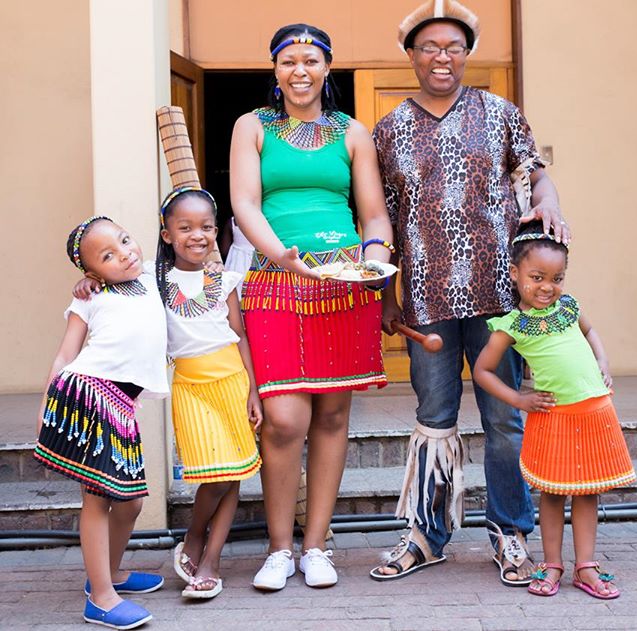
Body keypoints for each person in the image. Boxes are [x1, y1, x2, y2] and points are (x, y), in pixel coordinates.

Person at [370, 0, 571, 585]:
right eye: (430, 47)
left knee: (505, 419)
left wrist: (550, 203)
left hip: (498, 296)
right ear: (411, 56)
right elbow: (381, 217)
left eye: (453, 47)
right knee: (433, 418)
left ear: (466, 55)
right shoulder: (389, 129)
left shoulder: (500, 113)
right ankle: (427, 535)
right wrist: (387, 295)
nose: (442, 57)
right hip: (426, 297)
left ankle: (510, 532)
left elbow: (536, 174)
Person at [229, 23, 394, 590]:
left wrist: (374, 258)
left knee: (332, 416)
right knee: (283, 419)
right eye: (288, 61)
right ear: (275, 71)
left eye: (311, 61)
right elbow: (245, 203)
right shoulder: (252, 126)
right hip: (275, 279)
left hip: (343, 283)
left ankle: (316, 546)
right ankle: (279, 548)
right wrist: (280, 254)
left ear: (327, 67)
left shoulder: (352, 132)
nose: (300, 71)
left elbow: (374, 214)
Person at [473, 220, 636, 598]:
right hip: (554, 417)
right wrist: (519, 400)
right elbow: (482, 371)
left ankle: (586, 566)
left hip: (594, 412)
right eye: (537, 277)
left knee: (588, 491)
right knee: (552, 492)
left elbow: (590, 332)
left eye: (557, 278)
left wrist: (603, 361)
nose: (548, 287)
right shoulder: (512, 325)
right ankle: (552, 565)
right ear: (515, 274)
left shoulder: (568, 307)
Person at [35, 216, 168, 629]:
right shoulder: (90, 297)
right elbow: (65, 355)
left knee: (131, 502)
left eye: (124, 241)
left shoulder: (152, 277)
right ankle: (101, 598)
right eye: (108, 256)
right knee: (98, 497)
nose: (125, 254)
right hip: (88, 394)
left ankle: (108, 575)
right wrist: (46, 405)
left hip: (121, 404)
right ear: (92, 273)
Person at [155, 187, 263, 600]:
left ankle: (211, 561)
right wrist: (88, 281)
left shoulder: (224, 279)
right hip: (191, 387)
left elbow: (239, 335)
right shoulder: (153, 279)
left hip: (232, 382)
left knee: (232, 473)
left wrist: (253, 391)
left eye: (205, 227)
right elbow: (108, 277)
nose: (196, 235)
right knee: (216, 476)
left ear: (216, 232)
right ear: (167, 235)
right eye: (185, 228)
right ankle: (195, 535)